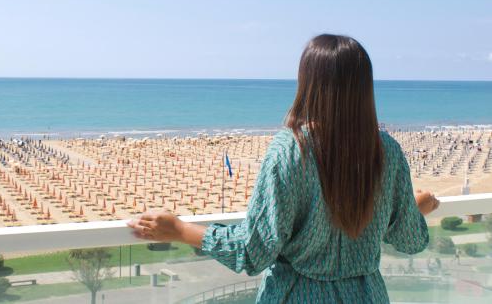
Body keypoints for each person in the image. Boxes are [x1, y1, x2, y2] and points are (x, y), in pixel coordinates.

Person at [128, 34, 439, 303]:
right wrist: (413, 208)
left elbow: (253, 252)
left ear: (309, 83)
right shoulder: (385, 150)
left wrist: (181, 231)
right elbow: (409, 240)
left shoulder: (292, 150)